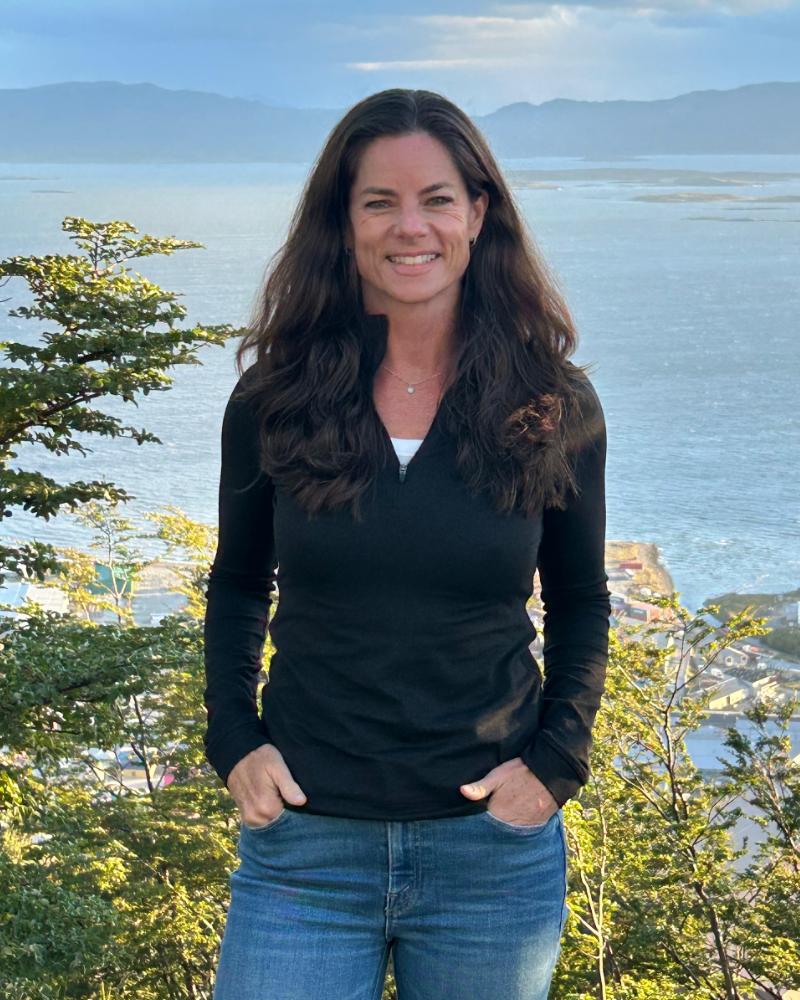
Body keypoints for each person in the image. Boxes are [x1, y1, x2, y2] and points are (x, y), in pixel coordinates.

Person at [203, 88, 611, 1000]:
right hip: (306, 846)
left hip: (490, 857)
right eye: (378, 201)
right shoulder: (275, 399)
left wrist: (555, 767)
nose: (408, 226)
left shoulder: (553, 404)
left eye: (435, 198)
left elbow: (581, 598)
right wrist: (234, 739)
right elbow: (237, 586)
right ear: (342, 224)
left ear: (476, 213)